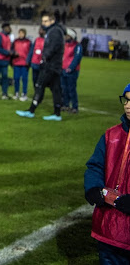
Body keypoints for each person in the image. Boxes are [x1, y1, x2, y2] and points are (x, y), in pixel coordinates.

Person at [84, 83, 130, 263]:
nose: (127, 105)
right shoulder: (111, 135)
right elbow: (95, 166)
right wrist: (93, 187)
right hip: (108, 227)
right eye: (126, 100)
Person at [17, 13, 64, 121]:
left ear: (52, 21)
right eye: (42, 21)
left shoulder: (54, 31)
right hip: (55, 66)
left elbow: (52, 47)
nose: (43, 23)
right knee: (56, 89)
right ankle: (57, 114)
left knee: (39, 85)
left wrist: (44, 58)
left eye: (45, 21)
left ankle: (31, 111)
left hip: (50, 66)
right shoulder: (55, 31)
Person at [61, 28, 83, 114]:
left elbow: (77, 58)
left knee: (71, 89)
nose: (65, 37)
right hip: (62, 70)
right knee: (64, 89)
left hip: (72, 71)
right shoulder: (64, 45)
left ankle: (74, 106)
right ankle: (66, 105)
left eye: (67, 35)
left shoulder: (77, 46)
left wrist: (70, 68)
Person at [11, 28, 32, 101]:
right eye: (19, 33)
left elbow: (30, 52)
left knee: (24, 79)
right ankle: (16, 92)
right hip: (16, 63)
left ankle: (24, 93)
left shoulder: (28, 42)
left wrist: (28, 61)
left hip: (24, 63)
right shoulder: (15, 41)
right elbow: (12, 51)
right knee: (16, 78)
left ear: (24, 34)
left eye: (22, 33)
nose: (20, 34)